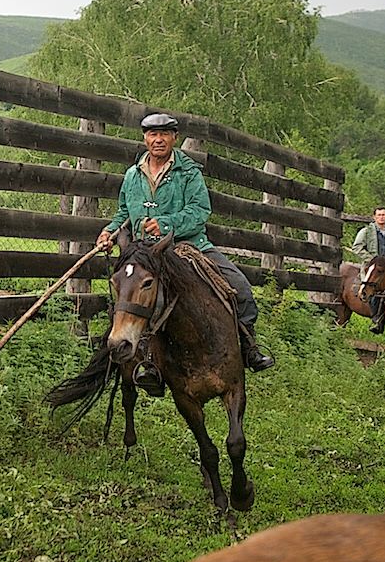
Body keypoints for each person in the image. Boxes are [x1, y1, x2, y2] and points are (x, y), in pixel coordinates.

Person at [95, 112, 274, 374]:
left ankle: (248, 348)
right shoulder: (132, 175)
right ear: (145, 138)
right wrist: (109, 232)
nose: (158, 140)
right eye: (153, 134)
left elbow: (200, 211)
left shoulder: (189, 172)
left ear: (174, 138)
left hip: (188, 246)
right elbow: (124, 212)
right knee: (134, 297)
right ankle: (147, 363)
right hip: (146, 253)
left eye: (164, 134)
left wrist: (166, 224)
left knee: (240, 287)